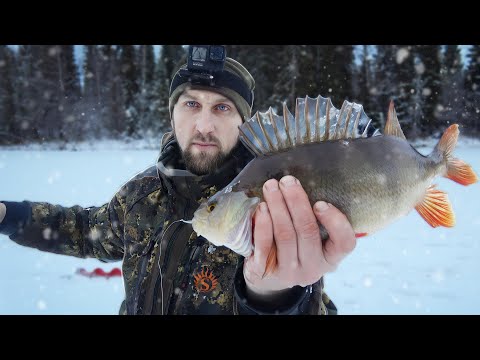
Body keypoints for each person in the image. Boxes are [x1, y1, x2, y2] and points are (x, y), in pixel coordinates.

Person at [0, 46, 357, 315]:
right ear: (172, 117)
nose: (204, 125)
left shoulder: (269, 199)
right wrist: (8, 215)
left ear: (243, 123)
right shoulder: (141, 194)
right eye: (190, 105)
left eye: (222, 107)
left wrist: (275, 296)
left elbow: (314, 300)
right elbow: (83, 230)